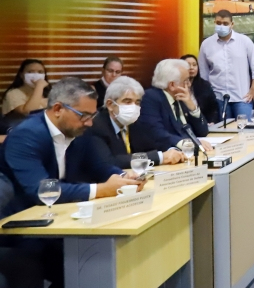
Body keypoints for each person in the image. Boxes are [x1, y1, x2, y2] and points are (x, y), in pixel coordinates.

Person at [0, 77, 140, 216]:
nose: (89, 123)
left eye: (92, 116)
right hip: (23, 216)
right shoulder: (26, 135)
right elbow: (41, 190)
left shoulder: (79, 130)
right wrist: (101, 190)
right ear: (58, 109)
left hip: (63, 210)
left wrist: (124, 178)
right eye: (84, 115)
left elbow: (97, 166)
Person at [72, 76, 185, 173]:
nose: (133, 107)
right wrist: (160, 157)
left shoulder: (134, 123)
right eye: (127, 101)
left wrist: (171, 151)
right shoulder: (96, 126)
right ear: (110, 104)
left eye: (137, 102)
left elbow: (151, 146)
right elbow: (110, 161)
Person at [130, 59, 213, 155]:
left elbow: (202, 131)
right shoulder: (150, 98)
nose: (189, 84)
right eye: (186, 81)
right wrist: (188, 144)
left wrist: (192, 107)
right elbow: (156, 133)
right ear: (172, 85)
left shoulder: (180, 97)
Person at [198, 10, 254, 121]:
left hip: (242, 97)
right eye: (218, 23)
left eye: (225, 23)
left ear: (232, 24)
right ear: (214, 22)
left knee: (245, 128)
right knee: (222, 129)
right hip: (218, 97)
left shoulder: (244, 41)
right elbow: (203, 73)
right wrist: (209, 95)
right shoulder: (206, 44)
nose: (221, 26)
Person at [182, 54, 220, 124]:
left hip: (203, 123)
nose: (191, 68)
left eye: (194, 65)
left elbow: (213, 108)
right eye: (188, 65)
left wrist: (212, 121)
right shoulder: (177, 87)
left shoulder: (204, 85)